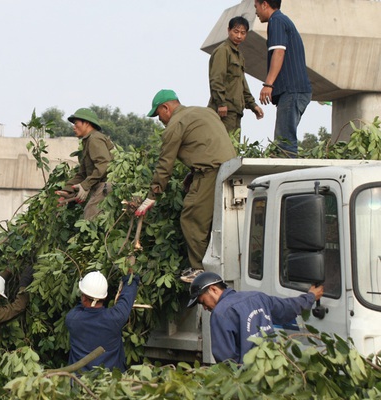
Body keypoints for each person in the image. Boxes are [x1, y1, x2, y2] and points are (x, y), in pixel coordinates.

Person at [136, 89, 236, 283]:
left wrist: (152, 196)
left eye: (158, 115)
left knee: (191, 218)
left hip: (210, 172)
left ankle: (200, 270)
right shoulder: (204, 112)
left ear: (166, 108)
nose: (160, 120)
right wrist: (192, 173)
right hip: (231, 168)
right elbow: (206, 145)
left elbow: (165, 163)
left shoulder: (175, 124)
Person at [187, 272, 324, 364]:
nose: (204, 308)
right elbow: (288, 308)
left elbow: (226, 361)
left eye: (202, 302)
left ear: (213, 290)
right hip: (273, 371)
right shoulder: (257, 298)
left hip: (247, 382)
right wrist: (311, 296)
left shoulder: (220, 313)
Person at [255, 0, 312, 157]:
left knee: (284, 143)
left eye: (256, 7)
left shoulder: (276, 21)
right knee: (283, 141)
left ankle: (288, 179)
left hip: (292, 90)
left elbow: (279, 52)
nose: (256, 11)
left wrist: (268, 84)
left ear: (265, 4)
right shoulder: (282, 20)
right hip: (296, 90)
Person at [65, 270, 139, 372]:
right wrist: (130, 276)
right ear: (105, 297)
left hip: (80, 383)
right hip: (112, 383)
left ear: (84, 298)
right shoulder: (115, 318)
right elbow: (127, 297)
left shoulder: (72, 319)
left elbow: (80, 306)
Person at [54, 108, 114, 220]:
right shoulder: (88, 141)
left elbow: (104, 165)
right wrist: (67, 190)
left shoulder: (95, 138)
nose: (73, 127)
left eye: (76, 123)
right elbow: (82, 174)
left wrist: (85, 186)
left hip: (107, 185)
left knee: (90, 216)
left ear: (86, 123)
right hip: (99, 185)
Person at [208, 16, 264, 135]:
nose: (239, 36)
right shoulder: (223, 51)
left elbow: (242, 84)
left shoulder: (239, 55)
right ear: (229, 30)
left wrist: (253, 105)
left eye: (243, 33)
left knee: (234, 149)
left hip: (235, 111)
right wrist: (221, 104)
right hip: (223, 111)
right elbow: (216, 79)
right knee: (223, 148)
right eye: (236, 31)